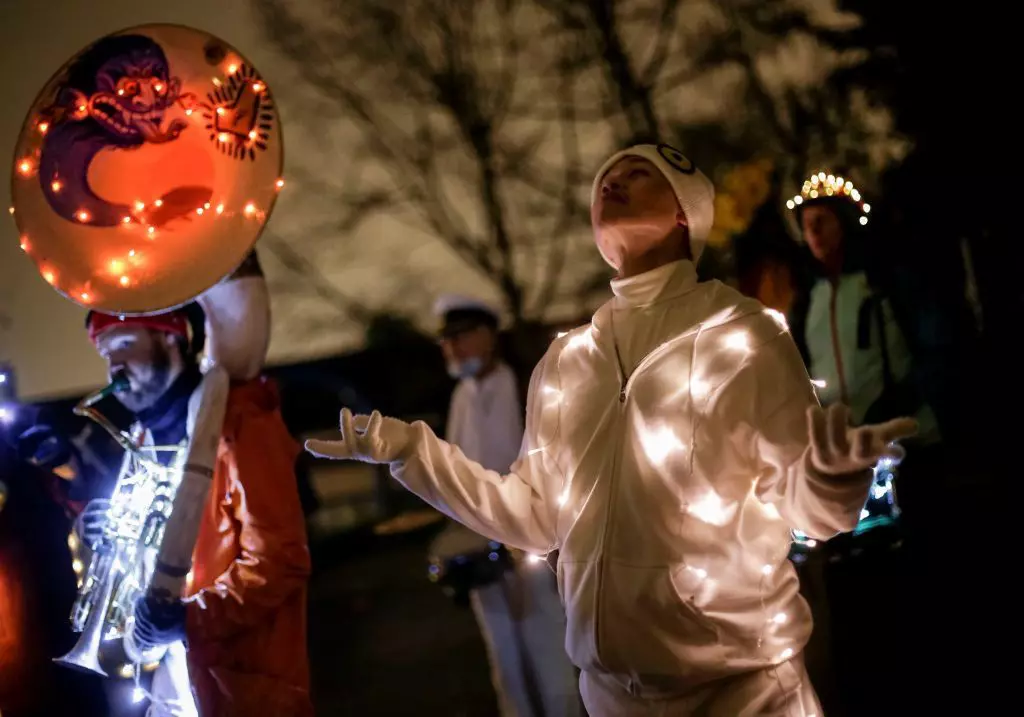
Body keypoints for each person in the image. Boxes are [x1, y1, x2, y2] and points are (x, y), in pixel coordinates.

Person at [308, 143, 917, 716]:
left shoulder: (745, 334)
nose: (614, 182)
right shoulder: (567, 359)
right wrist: (412, 453)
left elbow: (812, 514)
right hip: (610, 697)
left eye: (637, 174)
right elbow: (534, 515)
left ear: (686, 213)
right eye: (605, 181)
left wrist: (833, 477)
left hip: (743, 692)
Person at [79, 292, 313, 716]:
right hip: (166, 687)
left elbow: (280, 560)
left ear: (171, 338)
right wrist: (107, 534)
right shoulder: (140, 439)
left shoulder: (240, 421)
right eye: (104, 351)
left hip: (239, 687)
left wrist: (191, 620)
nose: (113, 364)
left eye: (124, 344)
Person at [429, 294, 581, 717]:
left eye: (461, 336)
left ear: (489, 336)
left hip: (529, 547)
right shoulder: (461, 395)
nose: (452, 348)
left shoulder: (522, 386)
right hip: (482, 549)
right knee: (506, 663)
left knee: (548, 654)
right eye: (447, 340)